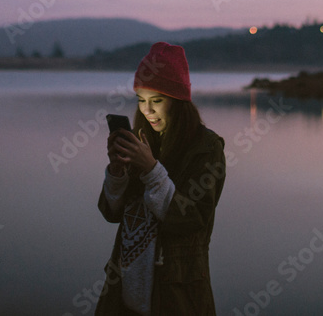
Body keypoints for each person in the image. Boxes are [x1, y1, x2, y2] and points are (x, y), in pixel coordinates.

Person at [94, 42, 226, 315]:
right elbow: (111, 213)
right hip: (123, 294)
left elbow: (193, 219)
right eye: (141, 100)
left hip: (175, 296)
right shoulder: (145, 141)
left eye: (157, 101)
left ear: (178, 102)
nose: (147, 111)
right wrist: (117, 171)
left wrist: (151, 169)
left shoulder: (206, 147)